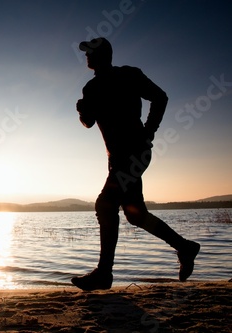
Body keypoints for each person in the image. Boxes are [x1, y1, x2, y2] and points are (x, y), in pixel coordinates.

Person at [72, 37, 200, 291]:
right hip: (116, 158)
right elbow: (88, 122)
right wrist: (82, 111)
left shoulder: (129, 75)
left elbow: (160, 97)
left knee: (105, 204)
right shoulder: (91, 88)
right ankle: (185, 247)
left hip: (135, 153)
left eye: (91, 51)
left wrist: (149, 131)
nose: (86, 56)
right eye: (85, 52)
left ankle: (104, 274)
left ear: (105, 54)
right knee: (135, 214)